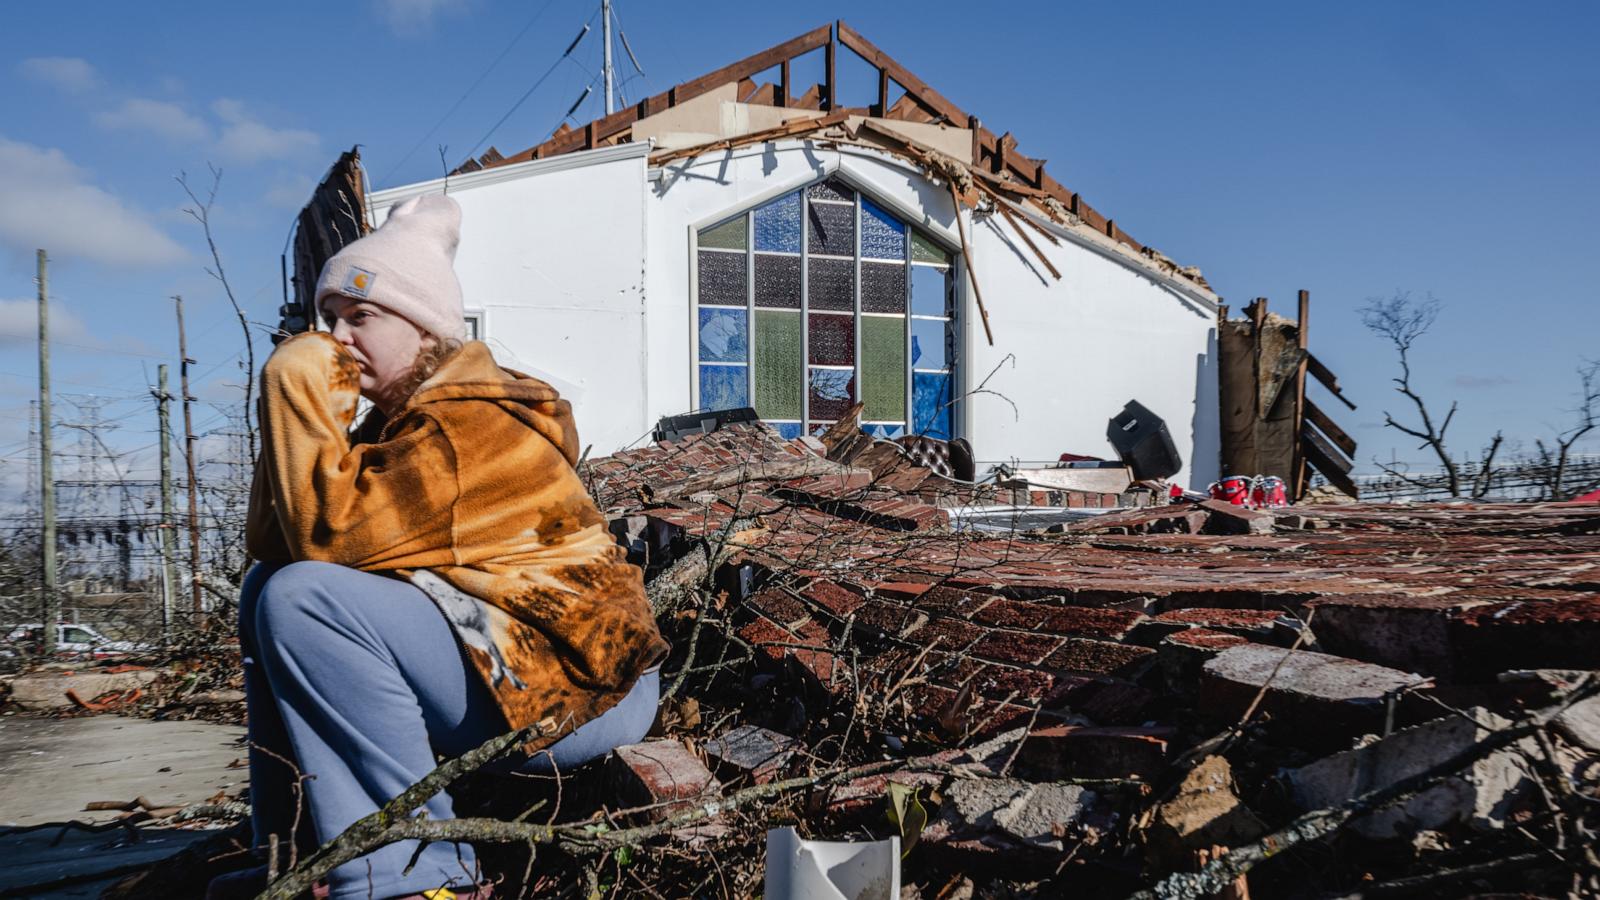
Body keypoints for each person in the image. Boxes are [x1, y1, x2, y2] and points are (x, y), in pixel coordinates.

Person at [209, 194, 668, 900]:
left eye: (360, 318)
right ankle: (299, 854)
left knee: (304, 601)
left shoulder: (465, 430)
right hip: (520, 657)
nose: (335, 339)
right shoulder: (407, 423)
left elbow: (323, 538)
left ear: (424, 331)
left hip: (584, 687)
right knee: (268, 586)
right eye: (327, 320)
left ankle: (412, 878)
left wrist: (293, 385)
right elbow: (276, 542)